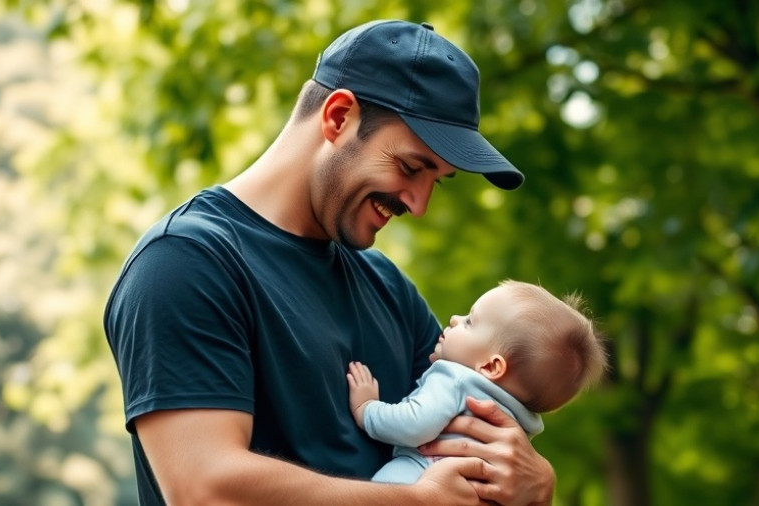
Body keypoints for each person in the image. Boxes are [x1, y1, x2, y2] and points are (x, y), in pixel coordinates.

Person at [104, 19, 555, 505]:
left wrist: (535, 484)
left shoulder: (389, 290)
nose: (419, 204)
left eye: (437, 181)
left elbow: (478, 453)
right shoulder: (185, 263)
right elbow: (205, 490)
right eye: (410, 167)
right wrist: (417, 502)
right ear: (339, 117)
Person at [347, 280, 607, 484]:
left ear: (491, 366)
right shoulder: (519, 425)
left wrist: (367, 409)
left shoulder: (455, 379)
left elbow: (414, 424)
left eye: (470, 321)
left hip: (417, 479)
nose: (454, 320)